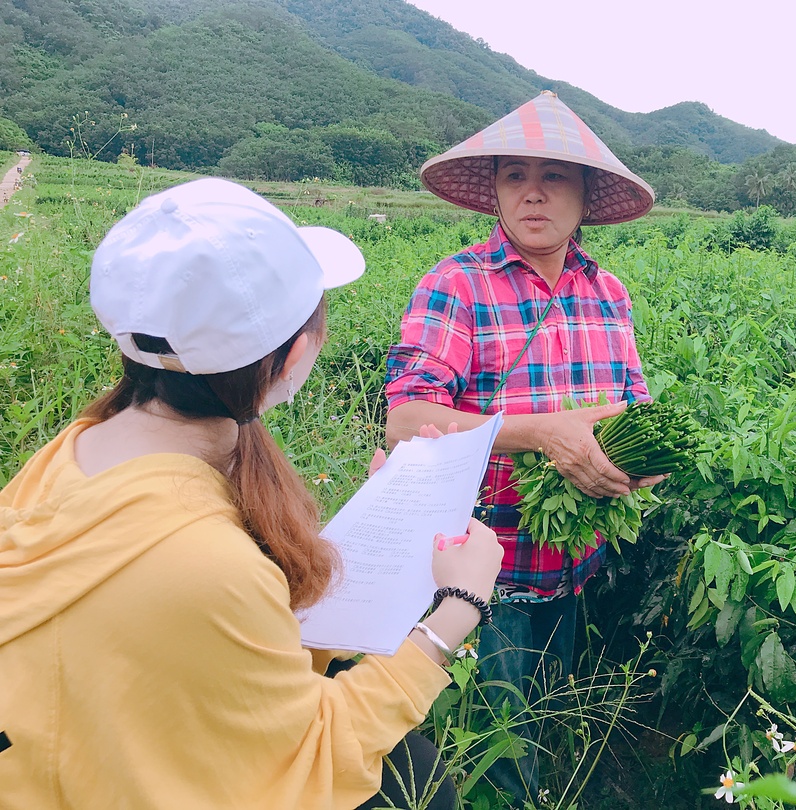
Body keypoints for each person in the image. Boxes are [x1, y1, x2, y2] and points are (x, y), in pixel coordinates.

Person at [0, 178, 503, 809]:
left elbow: (224, 629)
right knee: (418, 785)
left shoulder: (70, 453)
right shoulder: (209, 563)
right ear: (293, 358)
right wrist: (458, 606)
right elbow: (311, 754)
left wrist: (390, 519)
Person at [384, 91, 662, 803]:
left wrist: (642, 463)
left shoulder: (609, 292)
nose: (533, 193)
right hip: (482, 571)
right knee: (495, 757)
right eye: (515, 177)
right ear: (497, 194)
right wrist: (538, 434)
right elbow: (408, 421)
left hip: (576, 561)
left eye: (554, 176)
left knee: (545, 715)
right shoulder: (457, 285)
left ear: (586, 194)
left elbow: (637, 403)